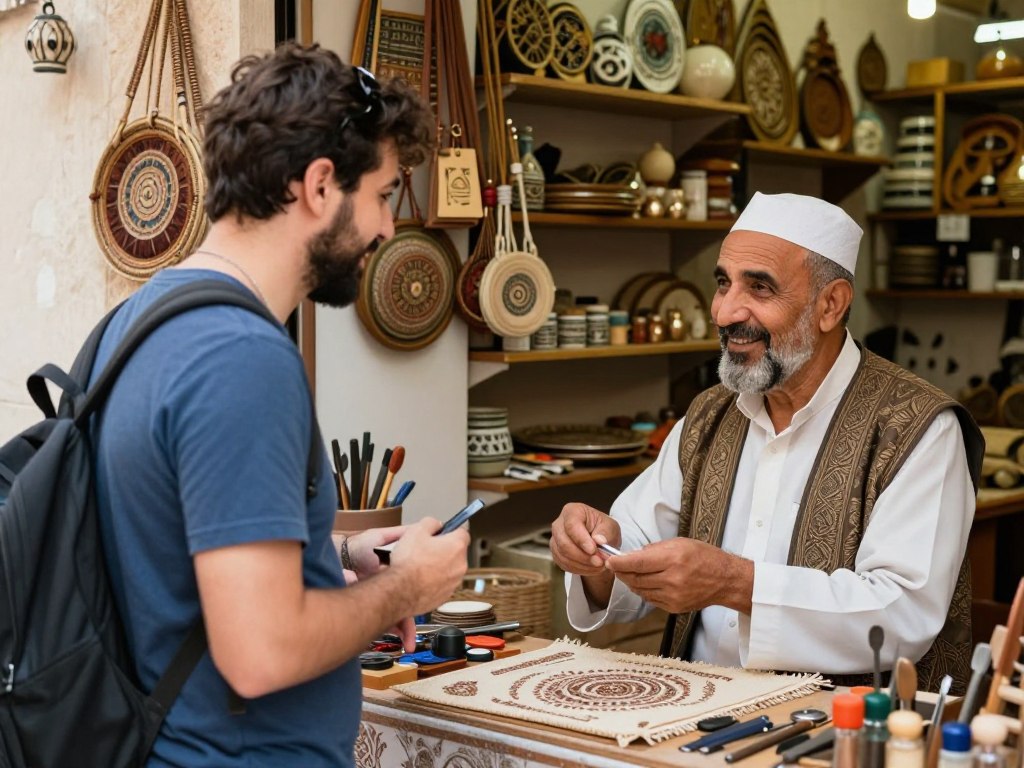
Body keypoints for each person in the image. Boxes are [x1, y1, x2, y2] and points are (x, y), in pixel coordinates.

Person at [89, 44, 469, 766]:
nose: (389, 229)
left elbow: (178, 552)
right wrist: (407, 586)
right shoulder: (243, 359)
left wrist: (344, 553)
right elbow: (260, 651)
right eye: (384, 194)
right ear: (321, 186)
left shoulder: (141, 319)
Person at [550, 192, 983, 693]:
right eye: (722, 283)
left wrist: (736, 583)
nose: (726, 311)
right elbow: (636, 547)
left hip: (840, 736)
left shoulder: (918, 429)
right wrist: (596, 555)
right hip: (689, 717)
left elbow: (901, 617)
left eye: (759, 287)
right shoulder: (711, 413)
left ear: (830, 305)